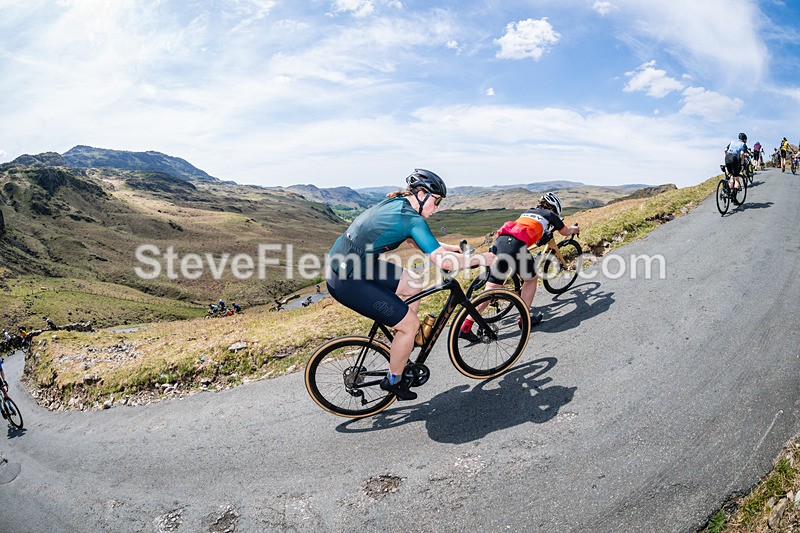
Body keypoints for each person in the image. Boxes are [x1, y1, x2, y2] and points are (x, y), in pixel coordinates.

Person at [326, 169, 494, 400]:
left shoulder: (398, 203)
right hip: (346, 279)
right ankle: (394, 379)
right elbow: (444, 264)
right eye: (436, 202)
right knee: (409, 324)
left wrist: (443, 246)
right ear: (422, 193)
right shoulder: (412, 219)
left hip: (352, 263)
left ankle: (402, 341)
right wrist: (481, 258)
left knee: (414, 282)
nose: (437, 208)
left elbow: (412, 238)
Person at [458, 192, 580, 342]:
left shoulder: (528, 212)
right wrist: (574, 229)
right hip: (515, 246)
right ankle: (524, 319)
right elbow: (565, 232)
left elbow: (531, 229)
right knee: (531, 279)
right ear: (555, 208)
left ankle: (465, 326)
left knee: (490, 291)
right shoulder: (550, 214)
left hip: (500, 242)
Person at [724, 133, 748, 204]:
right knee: (736, 179)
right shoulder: (743, 145)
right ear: (744, 139)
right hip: (734, 159)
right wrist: (742, 162)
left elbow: (725, 150)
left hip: (727, 157)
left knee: (731, 174)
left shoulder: (732, 142)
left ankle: (727, 188)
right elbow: (742, 153)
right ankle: (734, 198)